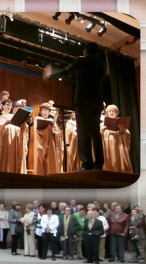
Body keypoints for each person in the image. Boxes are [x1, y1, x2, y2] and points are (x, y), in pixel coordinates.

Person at [45, 41, 106, 170]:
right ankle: (99, 163)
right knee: (95, 133)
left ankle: (87, 163)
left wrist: (52, 74)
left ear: (86, 51)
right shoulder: (101, 66)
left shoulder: (82, 62)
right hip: (96, 102)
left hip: (83, 102)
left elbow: (66, 72)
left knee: (83, 133)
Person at [101, 104, 133, 173]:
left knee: (120, 163)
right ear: (107, 113)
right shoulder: (103, 124)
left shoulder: (121, 122)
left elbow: (127, 134)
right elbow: (99, 136)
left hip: (119, 146)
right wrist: (102, 131)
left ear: (116, 112)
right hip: (109, 147)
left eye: (113, 111)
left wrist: (122, 130)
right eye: (109, 111)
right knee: (111, 162)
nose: (111, 113)